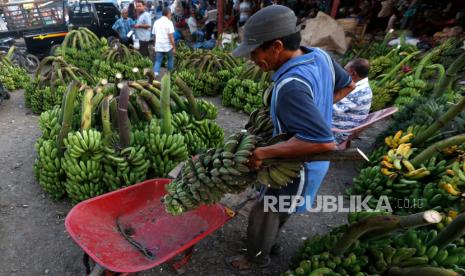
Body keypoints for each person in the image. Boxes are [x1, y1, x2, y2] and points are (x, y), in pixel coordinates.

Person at [227, 5, 355, 270]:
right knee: (280, 208)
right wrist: (317, 110)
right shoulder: (319, 56)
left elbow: (324, 142)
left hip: (298, 164)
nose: (252, 59)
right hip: (310, 163)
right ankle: (270, 244)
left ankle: (255, 258)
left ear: (275, 46)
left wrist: (263, 153)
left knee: (266, 211)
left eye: (254, 52)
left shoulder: (290, 87)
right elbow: (348, 85)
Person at [332, 59, 372, 143]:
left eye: (345, 70)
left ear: (353, 73)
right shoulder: (360, 86)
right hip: (338, 125)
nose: (342, 72)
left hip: (336, 132)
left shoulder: (359, 91)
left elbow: (332, 110)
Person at [152, 7, 176, 77]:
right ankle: (169, 75)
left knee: (158, 61)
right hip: (168, 46)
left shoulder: (156, 22)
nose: (171, 15)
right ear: (168, 14)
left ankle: (155, 75)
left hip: (159, 45)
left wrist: (155, 45)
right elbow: (171, 37)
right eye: (170, 14)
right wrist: (174, 47)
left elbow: (154, 36)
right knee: (170, 59)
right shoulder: (169, 22)